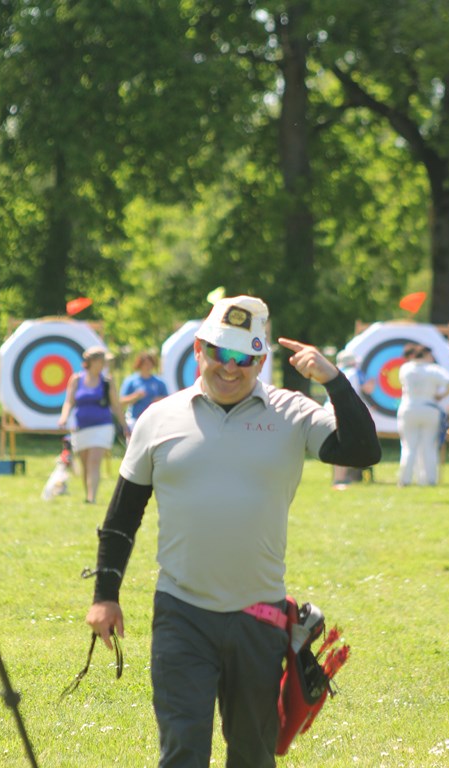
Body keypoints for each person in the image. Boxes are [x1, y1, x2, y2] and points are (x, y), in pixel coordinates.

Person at [85, 295, 381, 768]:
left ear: (261, 362)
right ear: (199, 349)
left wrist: (334, 381)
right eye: (220, 352)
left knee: (253, 755)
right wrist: (105, 594)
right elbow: (123, 515)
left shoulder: (293, 412)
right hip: (181, 611)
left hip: (258, 616)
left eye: (244, 358)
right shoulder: (158, 418)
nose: (230, 366)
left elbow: (363, 451)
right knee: (182, 750)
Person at [58, 346, 128, 504]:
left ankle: (92, 497)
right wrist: (64, 417)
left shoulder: (107, 382)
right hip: (81, 427)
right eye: (101, 361)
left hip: (103, 426)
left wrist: (124, 425)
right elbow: (69, 401)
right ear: (92, 362)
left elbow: (116, 405)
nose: (103, 364)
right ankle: (88, 495)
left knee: (94, 461)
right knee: (85, 463)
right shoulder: (76, 379)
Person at [397, 345, 449, 486]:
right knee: (429, 446)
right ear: (426, 355)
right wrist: (441, 395)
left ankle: (405, 479)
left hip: (409, 408)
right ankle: (429, 479)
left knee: (409, 446)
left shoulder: (405, 368)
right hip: (430, 408)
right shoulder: (434, 369)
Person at [332, 349, 375, 488]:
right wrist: (373, 381)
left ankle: (341, 477)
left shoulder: (333, 372)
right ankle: (341, 479)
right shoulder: (355, 372)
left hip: (330, 410)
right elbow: (368, 389)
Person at [120, 351, 168, 432]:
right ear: (140, 365)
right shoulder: (131, 381)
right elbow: (121, 401)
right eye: (145, 364)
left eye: (150, 364)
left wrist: (159, 400)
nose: (148, 366)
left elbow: (167, 399)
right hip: (135, 419)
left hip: (154, 420)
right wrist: (135, 397)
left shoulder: (159, 382)